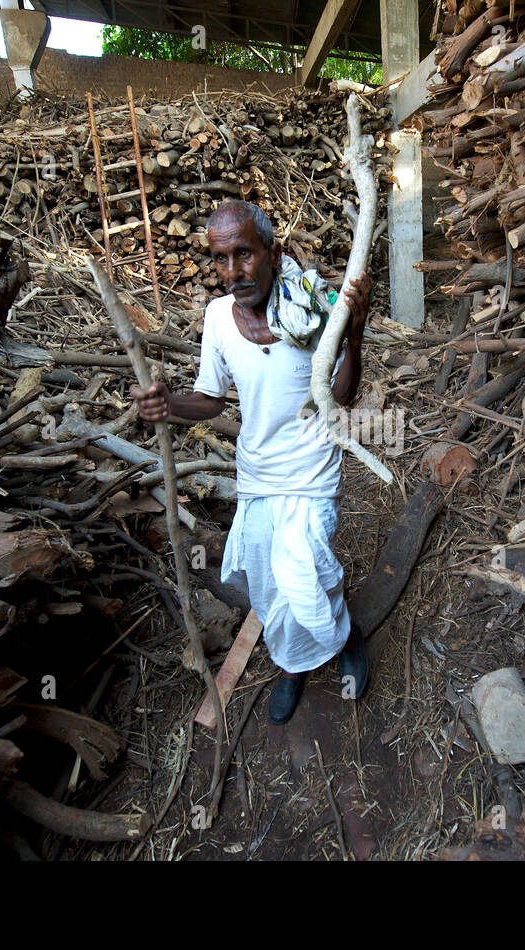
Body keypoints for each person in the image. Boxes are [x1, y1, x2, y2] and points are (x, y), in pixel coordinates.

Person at [130, 200, 373, 725]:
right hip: (259, 474)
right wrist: (168, 405)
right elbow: (211, 400)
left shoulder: (313, 306)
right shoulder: (218, 319)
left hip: (311, 469)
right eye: (220, 259)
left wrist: (352, 333)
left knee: (304, 571)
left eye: (244, 253)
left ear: (273, 252)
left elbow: (342, 397)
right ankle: (291, 664)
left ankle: (345, 637)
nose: (234, 271)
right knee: (267, 581)